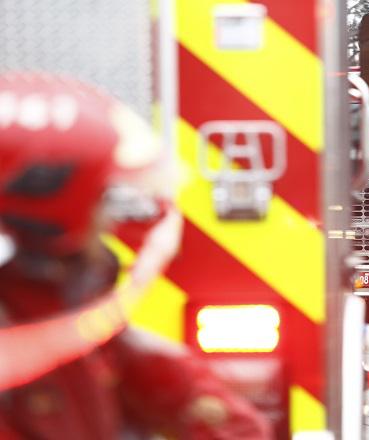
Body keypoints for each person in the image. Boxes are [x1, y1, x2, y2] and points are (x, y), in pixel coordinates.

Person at [0, 72, 273, 438]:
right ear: (45, 213)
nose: (110, 223)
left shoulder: (68, 321)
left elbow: (234, 429)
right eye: (101, 200)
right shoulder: (27, 344)